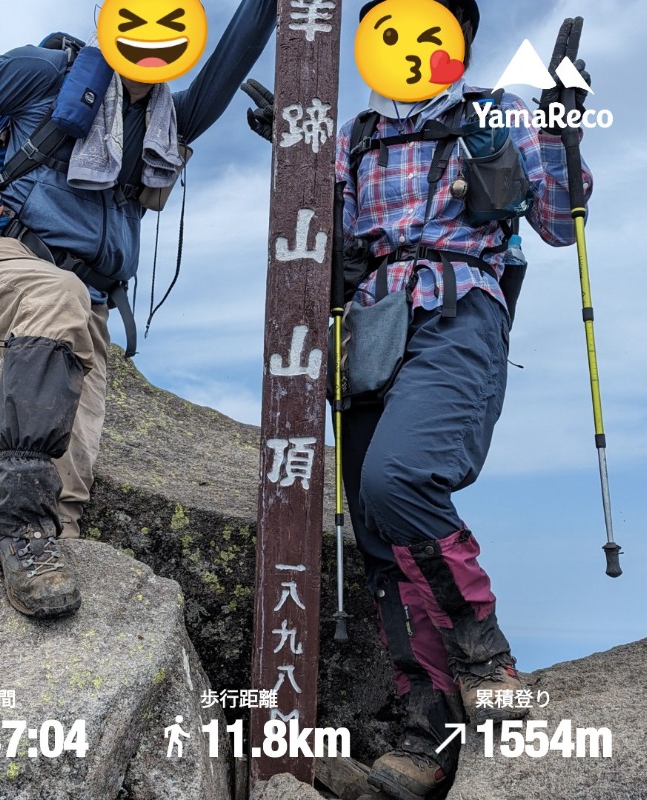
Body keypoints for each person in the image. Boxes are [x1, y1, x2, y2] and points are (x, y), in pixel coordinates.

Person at [246, 1, 593, 797]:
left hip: (459, 310)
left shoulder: (496, 112)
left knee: (397, 479)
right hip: (370, 330)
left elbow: (560, 221)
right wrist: (292, 156)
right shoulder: (354, 139)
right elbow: (317, 231)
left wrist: (565, 130)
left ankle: (485, 654)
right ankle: (428, 729)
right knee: (377, 534)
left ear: (461, 42)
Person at [0, 0, 276, 620]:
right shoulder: (46, 71)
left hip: (90, 299)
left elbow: (230, 60)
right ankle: (19, 526)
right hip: (5, 254)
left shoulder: (172, 118)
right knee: (60, 298)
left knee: (76, 459)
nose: (155, 35)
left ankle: (50, 546)